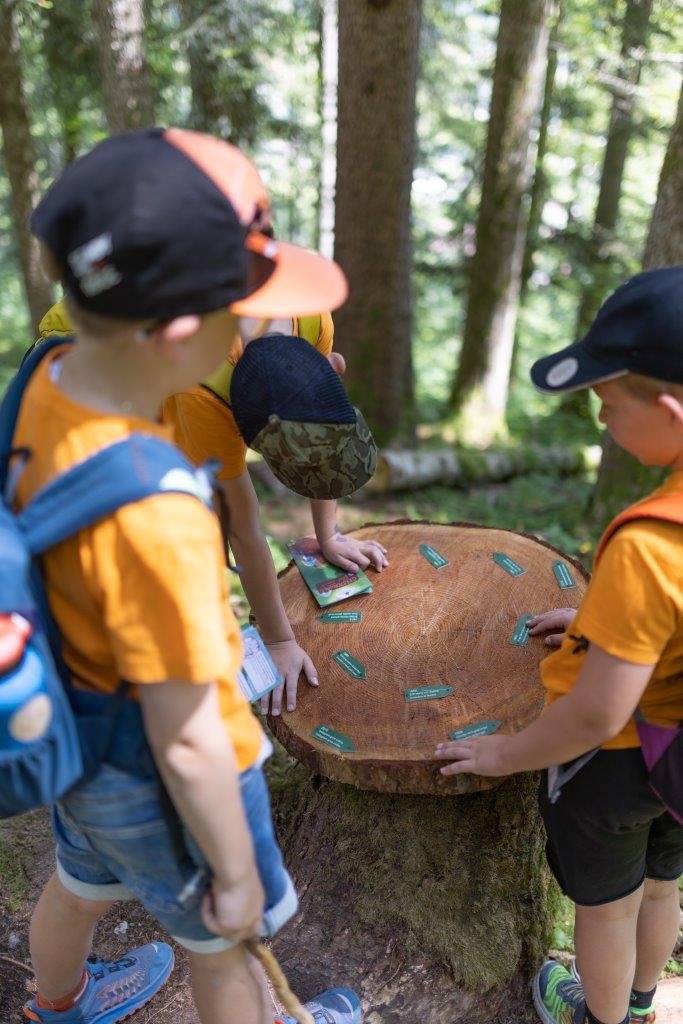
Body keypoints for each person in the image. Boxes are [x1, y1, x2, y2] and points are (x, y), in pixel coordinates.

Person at [16, 127, 361, 1024]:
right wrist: (238, 874)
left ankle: (57, 1003)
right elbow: (188, 735)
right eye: (237, 317)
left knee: (79, 885)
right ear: (180, 331)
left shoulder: (42, 383)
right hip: (159, 771)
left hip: (74, 739)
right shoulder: (158, 507)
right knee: (223, 950)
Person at [435, 268, 683, 1024]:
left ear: (669, 411)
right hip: (679, 766)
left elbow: (591, 711)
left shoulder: (649, 543)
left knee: (603, 910)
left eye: (606, 407)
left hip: (610, 765)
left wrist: (504, 755)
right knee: (662, 886)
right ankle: (642, 1003)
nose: (602, 422)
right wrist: (595, 619)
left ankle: (598, 1018)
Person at [32, 298, 389, 718]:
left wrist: (328, 535)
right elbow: (242, 527)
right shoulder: (201, 389)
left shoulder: (308, 309)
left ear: (331, 365)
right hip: (81, 367)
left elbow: (317, 430)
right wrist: (279, 641)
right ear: (238, 426)